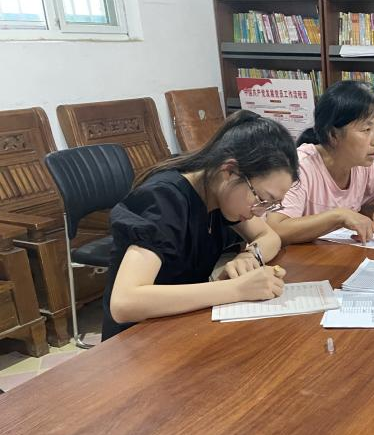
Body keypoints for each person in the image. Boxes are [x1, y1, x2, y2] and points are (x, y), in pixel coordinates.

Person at [103, 110, 296, 340]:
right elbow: (124, 302)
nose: (260, 211)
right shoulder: (164, 200)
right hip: (136, 340)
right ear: (229, 171)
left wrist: (249, 257)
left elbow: (269, 237)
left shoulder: (220, 197)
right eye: (262, 198)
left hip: (183, 327)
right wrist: (237, 289)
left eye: (271, 205)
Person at [266, 80, 374, 245]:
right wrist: (339, 216)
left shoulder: (364, 166)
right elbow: (275, 229)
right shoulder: (299, 167)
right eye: (366, 130)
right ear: (333, 135)